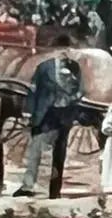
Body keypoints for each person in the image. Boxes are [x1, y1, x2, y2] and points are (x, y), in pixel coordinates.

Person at [15, 41, 84, 198]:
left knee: (59, 153)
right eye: (62, 50)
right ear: (55, 51)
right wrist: (28, 113)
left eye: (68, 50)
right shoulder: (44, 67)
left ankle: (55, 190)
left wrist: (72, 99)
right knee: (35, 149)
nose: (65, 53)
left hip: (64, 115)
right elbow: (33, 91)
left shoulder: (75, 67)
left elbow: (81, 90)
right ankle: (28, 186)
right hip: (45, 114)